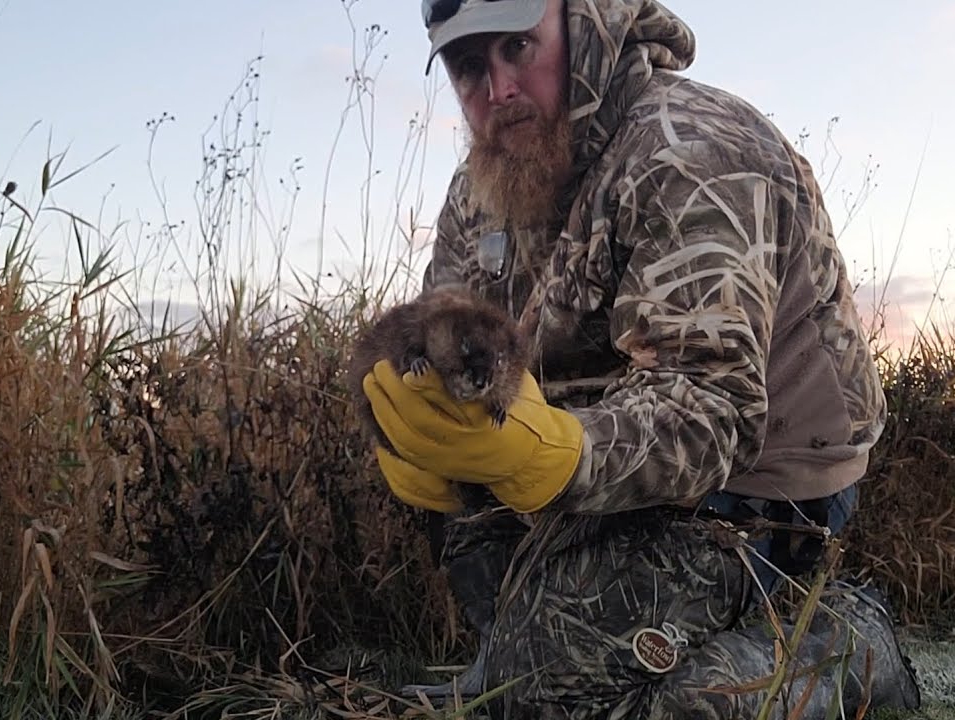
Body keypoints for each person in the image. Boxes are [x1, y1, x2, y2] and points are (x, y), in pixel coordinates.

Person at [358, 0, 923, 717]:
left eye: (519, 47)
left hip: (764, 484)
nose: (497, 88)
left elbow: (714, 413)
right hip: (590, 452)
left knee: (573, 694)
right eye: (469, 66)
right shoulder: (482, 187)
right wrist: (413, 424)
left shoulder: (692, 148)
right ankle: (534, 649)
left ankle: (846, 644)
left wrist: (553, 454)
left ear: (583, 28)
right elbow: (438, 328)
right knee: (491, 579)